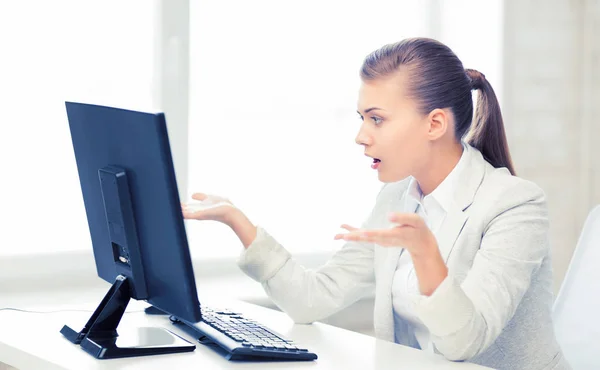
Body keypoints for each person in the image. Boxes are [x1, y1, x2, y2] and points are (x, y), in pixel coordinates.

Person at [182, 38, 569, 370]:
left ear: (435, 124)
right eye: (361, 118)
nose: (361, 136)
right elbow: (312, 300)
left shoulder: (515, 206)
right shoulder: (397, 196)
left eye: (377, 120)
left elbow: (466, 342)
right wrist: (238, 222)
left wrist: (426, 255)